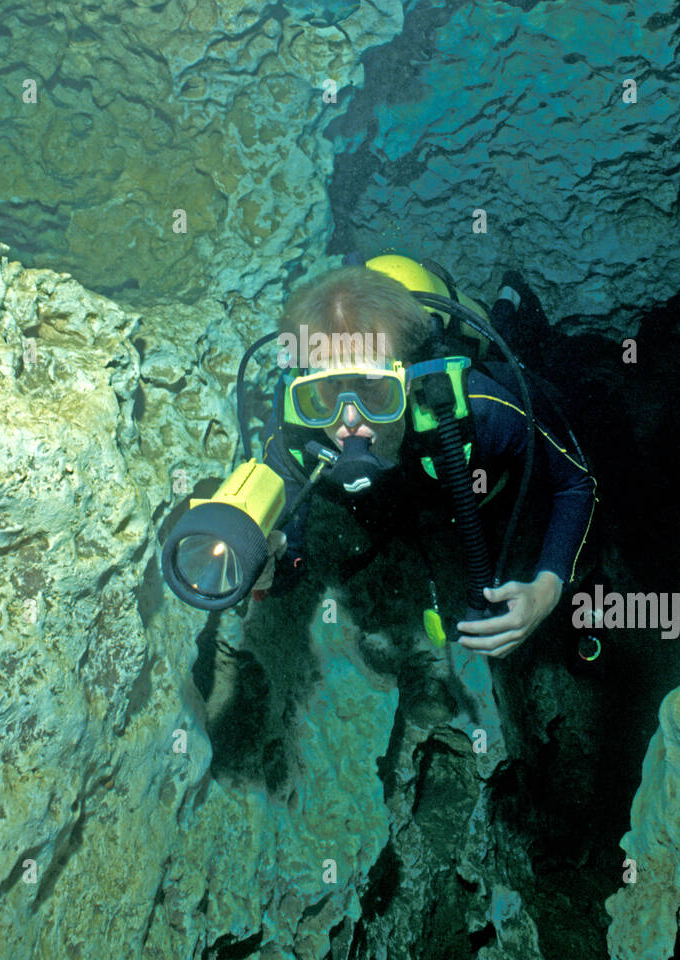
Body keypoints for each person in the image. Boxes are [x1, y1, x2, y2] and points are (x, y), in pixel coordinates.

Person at [254, 257, 597, 659]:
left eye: (373, 389)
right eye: (328, 391)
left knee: (529, 359)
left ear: (410, 379)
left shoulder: (478, 408)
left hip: (482, 484)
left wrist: (548, 586)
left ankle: (510, 296)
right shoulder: (296, 433)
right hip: (419, 505)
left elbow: (575, 481)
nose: (349, 421)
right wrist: (267, 571)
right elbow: (287, 554)